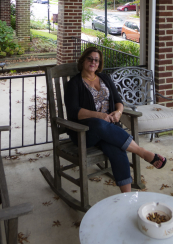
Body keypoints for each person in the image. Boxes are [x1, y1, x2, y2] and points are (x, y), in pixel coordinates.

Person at [64, 47, 167, 193]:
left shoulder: (105, 78)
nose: (93, 62)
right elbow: (74, 112)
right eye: (90, 58)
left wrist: (118, 113)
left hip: (110, 130)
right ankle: (141, 152)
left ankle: (127, 196)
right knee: (100, 124)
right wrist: (99, 115)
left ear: (99, 64)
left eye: (96, 60)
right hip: (86, 133)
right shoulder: (75, 83)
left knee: (116, 147)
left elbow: (118, 101)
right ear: (83, 60)